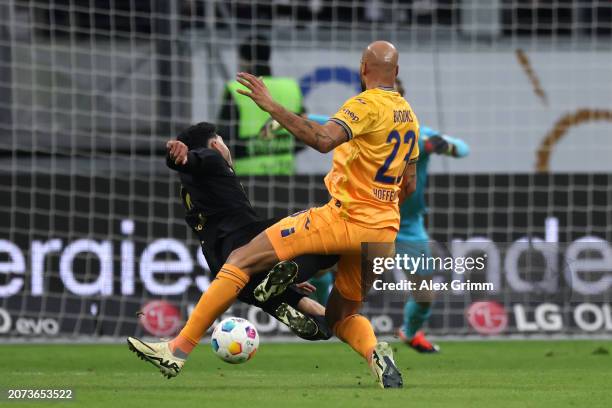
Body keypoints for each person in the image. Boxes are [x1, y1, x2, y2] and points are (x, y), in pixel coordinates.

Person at [129, 41, 419, 389]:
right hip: (383, 235)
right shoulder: (409, 117)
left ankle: (178, 348)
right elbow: (409, 186)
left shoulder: (364, 103)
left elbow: (324, 140)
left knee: (239, 260)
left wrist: (269, 105)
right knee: (341, 317)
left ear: (363, 69)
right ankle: (376, 352)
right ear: (397, 73)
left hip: (345, 218)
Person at [131, 122, 337, 349]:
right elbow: (196, 159)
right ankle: (289, 274)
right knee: (322, 232)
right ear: (215, 143)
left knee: (281, 298)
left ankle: (324, 322)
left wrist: (179, 160)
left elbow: (188, 163)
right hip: (246, 241)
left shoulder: (189, 184)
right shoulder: (213, 159)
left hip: (220, 263)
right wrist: (180, 157)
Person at [395, 123, 470, 352]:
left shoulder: (418, 135)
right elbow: (322, 125)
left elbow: (462, 148)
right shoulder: (359, 128)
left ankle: (410, 333)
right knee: (324, 267)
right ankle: (309, 309)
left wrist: (444, 145)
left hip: (406, 226)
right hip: (364, 217)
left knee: (424, 293)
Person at [217, 35, 304, 175]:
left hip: (247, 176)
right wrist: (281, 145)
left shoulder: (236, 89)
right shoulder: (291, 87)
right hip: (286, 175)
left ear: (246, 61)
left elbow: (223, 140)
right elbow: (305, 132)